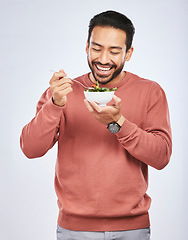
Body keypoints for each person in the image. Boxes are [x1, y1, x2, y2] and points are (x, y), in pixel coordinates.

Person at [20, 10, 172, 240]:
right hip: (74, 229)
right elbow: (30, 149)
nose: (102, 59)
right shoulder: (63, 92)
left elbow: (161, 157)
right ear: (86, 47)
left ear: (128, 53)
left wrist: (118, 123)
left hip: (132, 229)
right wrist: (54, 104)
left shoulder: (151, 92)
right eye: (96, 48)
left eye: (114, 51)